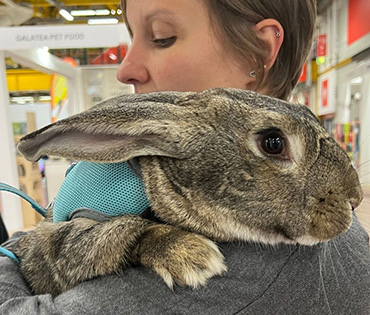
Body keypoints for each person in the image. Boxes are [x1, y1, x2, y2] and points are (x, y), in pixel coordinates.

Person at [1, 0, 369, 314]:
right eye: (132, 36)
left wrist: (14, 252)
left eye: (163, 37)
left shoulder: (232, 269)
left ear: (257, 52)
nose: (126, 69)